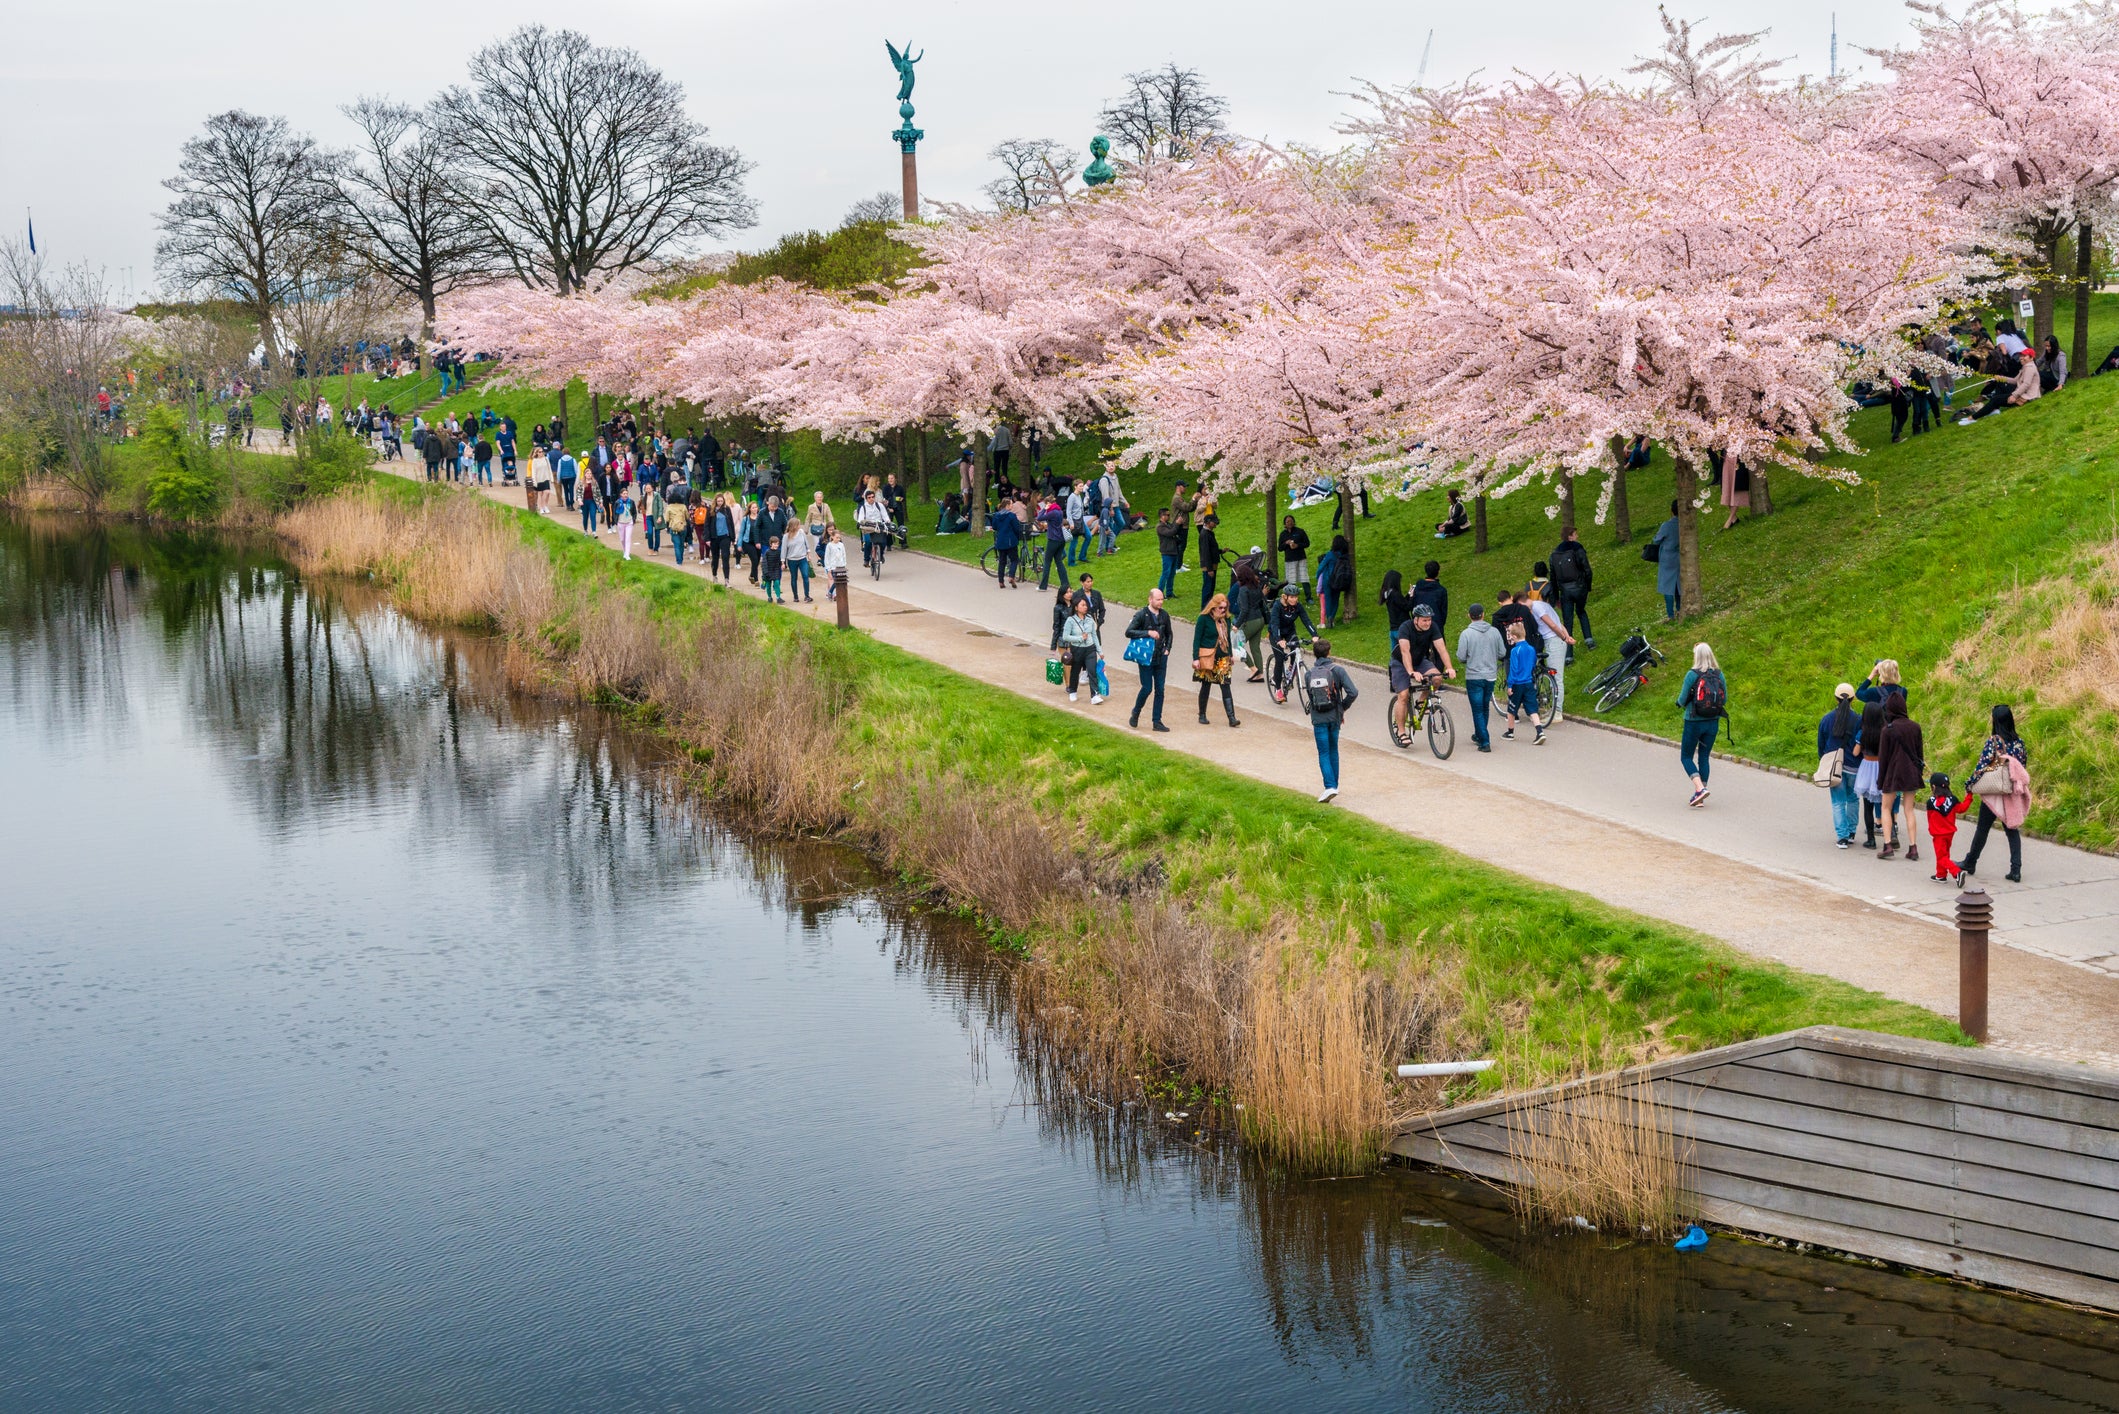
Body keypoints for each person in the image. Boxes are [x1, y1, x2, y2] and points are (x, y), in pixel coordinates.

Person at [1957, 704, 2030, 883]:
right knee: (2012, 829)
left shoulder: (1994, 742)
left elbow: (1982, 767)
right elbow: (2022, 766)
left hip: (1994, 793)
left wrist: (1970, 784)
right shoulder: (2019, 743)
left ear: (1996, 721)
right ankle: (2016, 869)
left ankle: (1970, 862)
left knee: (1982, 829)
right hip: (2011, 792)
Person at [1300, 637, 1360, 802]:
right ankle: (1334, 785)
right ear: (1329, 652)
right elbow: (1353, 692)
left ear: (1314, 654)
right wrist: (1342, 708)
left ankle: (1330, 786)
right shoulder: (1338, 670)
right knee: (1333, 750)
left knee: (1324, 752)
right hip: (1335, 718)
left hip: (1318, 719)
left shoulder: (1308, 674)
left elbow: (1311, 698)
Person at [1389, 605, 1455, 746]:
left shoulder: (1433, 627)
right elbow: (1405, 652)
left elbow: (1441, 649)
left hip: (1420, 660)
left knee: (1437, 678)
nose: (1428, 623)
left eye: (1429, 620)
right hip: (1401, 662)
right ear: (1416, 620)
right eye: (1424, 620)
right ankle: (1401, 731)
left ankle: (1421, 701)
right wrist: (1411, 672)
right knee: (1404, 695)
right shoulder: (1405, 628)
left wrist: (1449, 667)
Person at [1876, 695, 1927, 861]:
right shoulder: (1915, 727)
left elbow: (1883, 758)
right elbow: (1920, 755)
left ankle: (1888, 844)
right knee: (1909, 809)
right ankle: (1913, 847)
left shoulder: (1887, 730)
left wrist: (1880, 780)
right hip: (1911, 772)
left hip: (1893, 772)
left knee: (1885, 808)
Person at [1675, 642, 1724, 806]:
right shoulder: (1719, 675)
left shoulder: (1692, 675)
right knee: (1704, 756)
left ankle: (1699, 789)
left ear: (1696, 656)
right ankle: (1701, 794)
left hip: (1693, 721)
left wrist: (1679, 702)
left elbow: (1682, 700)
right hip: (1713, 722)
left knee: (1686, 757)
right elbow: (1725, 699)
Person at [1818, 684, 1862, 848]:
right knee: (1852, 798)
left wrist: (1824, 759)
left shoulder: (1827, 719)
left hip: (1834, 767)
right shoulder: (1858, 719)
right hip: (1853, 766)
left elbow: (1821, 744)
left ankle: (1842, 837)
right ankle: (1851, 833)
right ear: (1853, 700)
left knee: (1837, 802)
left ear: (1836, 698)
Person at [1125, 588, 1175, 731]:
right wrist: (1148, 633)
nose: (1160, 602)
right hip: (1146, 657)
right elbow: (1129, 632)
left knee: (1160, 689)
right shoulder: (1141, 615)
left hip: (1160, 656)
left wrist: (1168, 649)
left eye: (1162, 599)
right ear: (1150, 599)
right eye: (1158, 599)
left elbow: (1169, 634)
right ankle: (1136, 712)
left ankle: (1156, 721)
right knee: (1147, 688)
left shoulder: (1164, 615)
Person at [1522, 585, 1574, 720]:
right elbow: (1558, 622)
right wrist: (1566, 636)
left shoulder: (1536, 608)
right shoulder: (1541, 605)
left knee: (1556, 678)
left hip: (1554, 641)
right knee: (1554, 676)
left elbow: (1552, 624)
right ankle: (1554, 710)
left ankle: (1557, 711)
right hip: (1555, 640)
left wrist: (1563, 637)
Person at [1456, 604, 1503, 752]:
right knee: (1484, 707)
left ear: (1469, 616)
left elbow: (1461, 657)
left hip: (1474, 676)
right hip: (1490, 675)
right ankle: (1479, 734)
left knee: (1477, 710)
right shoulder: (1494, 632)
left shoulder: (1466, 634)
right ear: (1483, 615)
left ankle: (1484, 741)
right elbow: (1502, 652)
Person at [1192, 593, 1241, 728]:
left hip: (1223, 657)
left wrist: (1230, 654)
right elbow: (1197, 640)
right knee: (1206, 685)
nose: (1222, 611)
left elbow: (1228, 639)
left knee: (1225, 685)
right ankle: (1202, 714)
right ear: (1213, 607)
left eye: (1224, 608)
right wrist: (1195, 658)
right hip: (1208, 657)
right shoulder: (1204, 619)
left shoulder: (1226, 619)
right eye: (1220, 608)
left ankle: (1232, 718)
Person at [1959, 347, 2041, 422]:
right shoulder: (2026, 366)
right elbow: (2016, 380)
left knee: (1995, 399)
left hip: (2026, 398)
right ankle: (1995, 409)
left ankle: (1973, 418)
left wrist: (2014, 396)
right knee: (2000, 384)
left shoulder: (2029, 368)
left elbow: (2026, 384)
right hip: (2022, 394)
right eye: (2021, 356)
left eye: (2024, 356)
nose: (2021, 358)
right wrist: (2001, 378)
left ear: (2031, 358)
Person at [1266, 584, 1316, 703]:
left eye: (1296, 597)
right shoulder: (1278, 606)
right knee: (1280, 658)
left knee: (1296, 649)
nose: (1294, 599)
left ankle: (1290, 670)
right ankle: (1278, 689)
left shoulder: (1298, 607)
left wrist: (1315, 635)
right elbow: (1275, 624)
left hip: (1289, 631)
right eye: (1291, 597)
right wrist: (1278, 639)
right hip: (1275, 633)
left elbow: (1306, 620)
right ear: (1286, 597)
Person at [1549, 528, 1595, 655]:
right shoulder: (1577, 549)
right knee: (1581, 612)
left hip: (1565, 591)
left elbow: (1552, 578)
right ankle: (1589, 640)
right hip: (1580, 588)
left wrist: (1556, 597)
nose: (1577, 536)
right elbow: (1587, 570)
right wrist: (1588, 586)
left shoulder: (1554, 555)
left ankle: (1568, 654)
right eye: (1575, 534)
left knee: (1567, 621)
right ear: (1570, 537)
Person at [1502, 621, 1546, 746]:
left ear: (1515, 637)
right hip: (1528, 682)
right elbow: (1533, 664)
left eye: (1510, 635)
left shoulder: (1515, 651)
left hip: (1517, 683)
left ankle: (1510, 732)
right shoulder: (1531, 649)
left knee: (1511, 709)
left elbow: (1514, 669)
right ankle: (1539, 731)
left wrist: (1510, 685)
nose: (1510, 637)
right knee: (1532, 709)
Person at [1925, 773, 1971, 884]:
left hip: (1938, 834)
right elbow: (1962, 809)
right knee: (1945, 854)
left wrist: (1932, 830)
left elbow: (1930, 818)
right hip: (1950, 833)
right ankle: (1941, 875)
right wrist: (1969, 796)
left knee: (1941, 857)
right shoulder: (1953, 800)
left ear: (1934, 787)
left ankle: (1957, 873)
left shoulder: (1931, 802)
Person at [1058, 593, 1104, 703]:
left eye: (1085, 605)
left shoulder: (1089, 619)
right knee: (1075, 671)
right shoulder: (1070, 620)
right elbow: (1065, 636)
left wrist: (1100, 651)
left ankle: (1095, 695)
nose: (1085, 607)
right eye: (1082, 605)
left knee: (1092, 671)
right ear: (1076, 607)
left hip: (1090, 649)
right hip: (1077, 650)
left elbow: (1094, 635)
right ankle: (1073, 690)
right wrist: (1079, 638)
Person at [1650, 501, 1682, 619]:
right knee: (1678, 585)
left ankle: (1670, 614)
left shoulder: (1666, 525)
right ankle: (1679, 609)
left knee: (1667, 587)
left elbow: (1656, 540)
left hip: (1667, 558)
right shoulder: (1684, 524)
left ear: (1671, 511)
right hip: (1679, 557)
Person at [1036, 495, 1069, 591]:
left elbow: (1039, 517)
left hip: (1053, 540)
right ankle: (1065, 584)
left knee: (1047, 562)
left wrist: (1044, 509)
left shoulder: (1052, 512)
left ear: (1048, 504)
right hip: (1061, 540)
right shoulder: (1059, 511)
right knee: (1059, 562)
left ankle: (1043, 586)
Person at [989, 496, 1023, 588]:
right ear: (1007, 505)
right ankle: (1011, 576)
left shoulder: (996, 515)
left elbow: (995, 527)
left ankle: (1001, 581)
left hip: (1000, 541)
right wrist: (1018, 537)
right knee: (1014, 560)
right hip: (1010, 541)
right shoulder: (1011, 516)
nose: (1012, 505)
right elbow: (1016, 528)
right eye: (1011, 503)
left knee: (1002, 561)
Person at [1410, 560, 1448, 637]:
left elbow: (1413, 607)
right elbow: (1443, 611)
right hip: (1436, 626)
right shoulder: (1441, 591)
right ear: (1438, 572)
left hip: (1420, 626)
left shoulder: (1417, 589)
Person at [1316, 536, 1348, 627]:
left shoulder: (1330, 554)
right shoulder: (1344, 556)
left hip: (1328, 579)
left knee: (1328, 599)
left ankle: (1329, 617)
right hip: (1339, 579)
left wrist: (1318, 576)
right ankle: (1332, 617)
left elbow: (1321, 566)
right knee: (1335, 600)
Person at [1155, 508, 1186, 596]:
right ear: (1162, 516)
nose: (1169, 517)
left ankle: (1169, 592)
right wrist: (1177, 523)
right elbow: (1171, 532)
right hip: (1166, 553)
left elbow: (1175, 530)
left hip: (1173, 551)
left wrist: (1179, 524)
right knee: (1166, 573)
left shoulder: (1168, 524)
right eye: (1167, 515)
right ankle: (1160, 593)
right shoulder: (1160, 527)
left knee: (1172, 574)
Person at [1278, 516, 1311, 599]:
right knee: (1291, 580)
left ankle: (1309, 597)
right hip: (1290, 560)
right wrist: (1286, 543)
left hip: (1301, 558)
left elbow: (1307, 543)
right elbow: (1280, 548)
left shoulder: (1300, 531)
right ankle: (1291, 597)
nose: (1289, 523)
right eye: (1287, 522)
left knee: (1304, 578)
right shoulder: (1283, 534)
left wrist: (1297, 545)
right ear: (1285, 524)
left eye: (1291, 521)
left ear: (1294, 522)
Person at [1196, 510, 1222, 608]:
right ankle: (1205, 607)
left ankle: (1208, 606)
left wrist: (1220, 551)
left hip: (1211, 565)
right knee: (1208, 588)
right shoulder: (1205, 534)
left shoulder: (1208, 533)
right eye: (1214, 522)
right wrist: (1209, 569)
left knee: (1211, 587)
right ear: (1208, 522)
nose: (1215, 524)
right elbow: (1206, 552)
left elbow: (1211, 549)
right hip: (1209, 566)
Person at [782, 520, 814, 601]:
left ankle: (807, 595)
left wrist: (809, 553)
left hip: (802, 558)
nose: (800, 526)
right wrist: (783, 561)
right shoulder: (786, 536)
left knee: (805, 576)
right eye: (798, 524)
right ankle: (795, 596)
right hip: (792, 560)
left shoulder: (801, 532)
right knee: (794, 577)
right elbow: (784, 549)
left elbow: (806, 543)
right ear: (794, 526)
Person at [1378, 569, 1416, 635]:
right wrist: (1412, 596)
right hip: (1402, 628)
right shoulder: (1395, 594)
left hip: (1393, 629)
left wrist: (1409, 593)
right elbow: (1407, 607)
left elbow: (1401, 603)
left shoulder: (1387, 593)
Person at [822, 526, 848, 602]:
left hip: (841, 566)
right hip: (833, 567)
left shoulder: (841, 545)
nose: (838, 539)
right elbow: (827, 557)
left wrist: (844, 563)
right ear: (832, 537)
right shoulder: (829, 545)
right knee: (836, 581)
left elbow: (844, 554)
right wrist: (828, 568)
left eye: (839, 538)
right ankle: (831, 592)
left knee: (841, 581)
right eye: (836, 537)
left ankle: (836, 594)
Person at [614, 488, 637, 560]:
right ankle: (625, 551)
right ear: (621, 494)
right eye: (624, 494)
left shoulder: (631, 502)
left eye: (626, 493)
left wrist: (633, 519)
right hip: (621, 522)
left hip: (629, 522)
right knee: (622, 539)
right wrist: (616, 521)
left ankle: (627, 554)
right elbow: (614, 512)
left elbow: (634, 512)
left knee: (628, 538)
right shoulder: (617, 502)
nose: (625, 495)